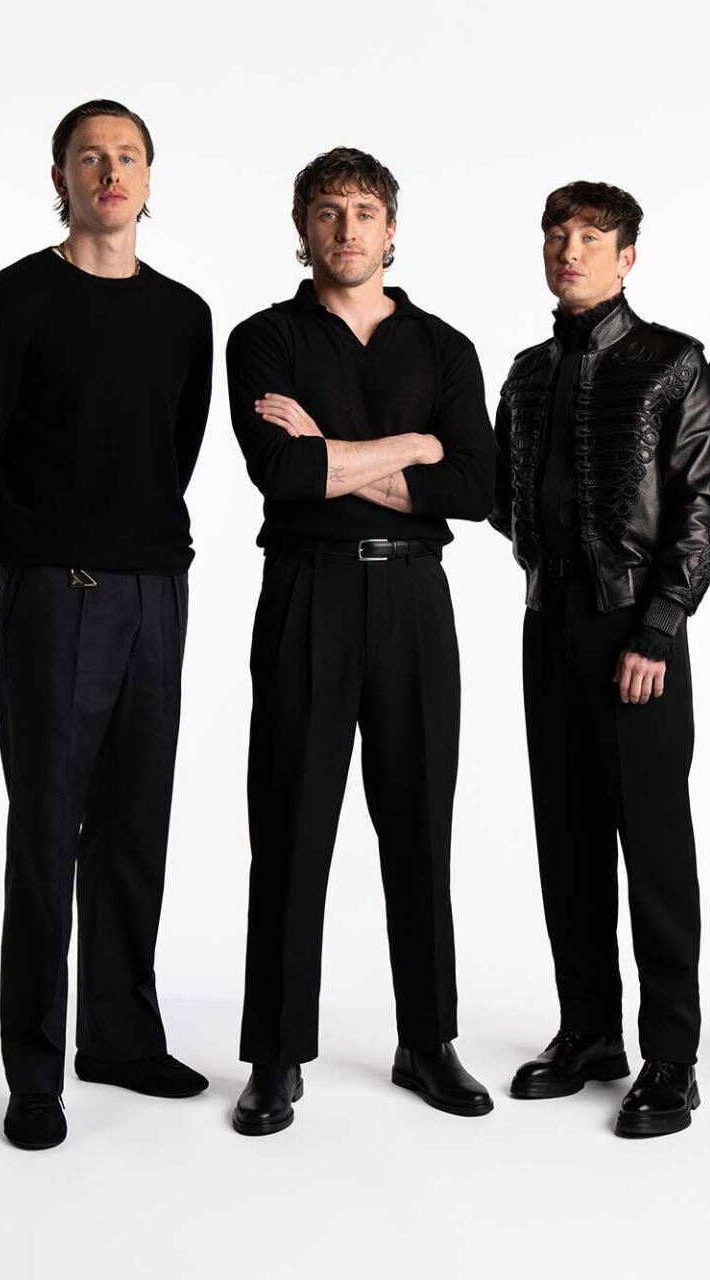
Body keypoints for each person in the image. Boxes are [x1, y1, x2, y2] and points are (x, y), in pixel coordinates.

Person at [0, 99, 213, 1151]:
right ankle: (34, 1074)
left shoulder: (183, 315)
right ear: (59, 177)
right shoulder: (11, 302)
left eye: (127, 155)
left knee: (136, 824)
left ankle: (121, 1039)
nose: (110, 171)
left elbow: (174, 450)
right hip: (57, 594)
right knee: (48, 833)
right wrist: (31, 571)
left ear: (150, 177)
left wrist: (135, 564)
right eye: (90, 156)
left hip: (157, 594)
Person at [225, 147, 497, 1135]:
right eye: (328, 211)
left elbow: (476, 487)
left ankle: (427, 1041)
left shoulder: (444, 347)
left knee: (420, 822)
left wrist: (338, 453)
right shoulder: (264, 339)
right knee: (290, 824)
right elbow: (284, 475)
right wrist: (414, 447)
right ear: (302, 229)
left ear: (392, 229)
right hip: (308, 590)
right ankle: (274, 1055)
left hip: (415, 597)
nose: (347, 229)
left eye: (364, 211)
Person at [490, 181, 710, 1138]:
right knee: (568, 838)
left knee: (655, 846)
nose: (570, 250)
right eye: (558, 234)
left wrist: (659, 625)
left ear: (627, 258)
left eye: (591, 237)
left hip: (637, 632)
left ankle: (672, 1057)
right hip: (548, 624)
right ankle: (589, 1033)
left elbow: (705, 505)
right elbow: (506, 499)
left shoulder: (673, 362)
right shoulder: (525, 373)